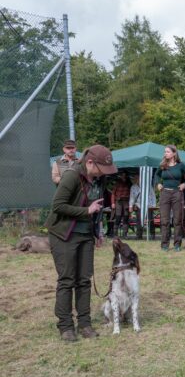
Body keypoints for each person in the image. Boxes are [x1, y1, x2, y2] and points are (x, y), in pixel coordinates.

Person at [45, 145, 117, 341]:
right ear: (90, 162)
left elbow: (97, 206)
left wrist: (97, 231)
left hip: (86, 234)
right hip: (63, 234)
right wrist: (86, 211)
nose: (105, 173)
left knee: (84, 280)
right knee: (67, 279)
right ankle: (66, 326)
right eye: (102, 168)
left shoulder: (100, 179)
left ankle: (85, 324)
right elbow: (58, 205)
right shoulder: (71, 175)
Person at [154, 145, 185, 251]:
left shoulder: (180, 165)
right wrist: (158, 183)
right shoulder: (162, 165)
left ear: (174, 153)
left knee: (177, 220)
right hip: (165, 193)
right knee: (164, 220)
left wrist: (184, 184)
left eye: (167, 152)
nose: (165, 153)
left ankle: (177, 244)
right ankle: (165, 245)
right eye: (165, 152)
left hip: (177, 193)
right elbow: (156, 175)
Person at [129, 173, 157, 240]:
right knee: (139, 221)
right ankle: (139, 236)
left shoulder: (148, 186)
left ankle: (152, 235)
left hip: (148, 205)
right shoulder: (133, 187)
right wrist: (131, 206)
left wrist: (153, 205)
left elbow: (153, 196)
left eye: (137, 178)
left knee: (150, 220)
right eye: (135, 178)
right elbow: (132, 197)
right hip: (139, 205)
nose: (136, 179)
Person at [111, 172, 131, 238]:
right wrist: (113, 203)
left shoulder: (129, 183)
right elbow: (113, 193)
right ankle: (115, 234)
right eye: (122, 175)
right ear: (121, 176)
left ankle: (125, 234)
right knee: (118, 217)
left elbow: (131, 193)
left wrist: (131, 204)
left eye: (125, 175)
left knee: (126, 217)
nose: (123, 176)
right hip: (118, 201)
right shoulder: (117, 182)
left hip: (126, 201)